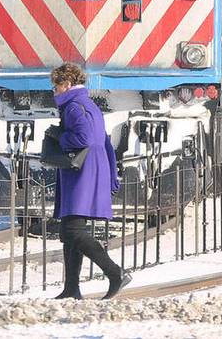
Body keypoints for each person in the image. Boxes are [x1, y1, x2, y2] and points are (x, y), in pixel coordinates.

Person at [49, 63, 130, 300]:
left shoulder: (73, 106)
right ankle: (71, 288)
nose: (54, 92)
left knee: (74, 230)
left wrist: (60, 137)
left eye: (56, 87)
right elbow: (102, 140)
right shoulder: (87, 104)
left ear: (66, 85)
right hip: (89, 169)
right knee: (69, 228)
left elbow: (83, 137)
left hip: (82, 172)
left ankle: (115, 273)